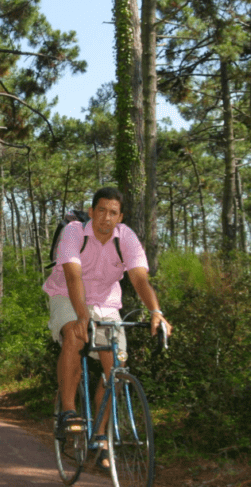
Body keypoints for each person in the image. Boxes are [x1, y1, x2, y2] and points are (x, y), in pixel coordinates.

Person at [43, 186, 172, 469]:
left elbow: (139, 279)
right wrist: (81, 317)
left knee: (116, 368)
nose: (106, 217)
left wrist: (155, 311)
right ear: (91, 212)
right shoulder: (74, 232)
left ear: (120, 216)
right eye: (101, 210)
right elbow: (73, 276)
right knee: (74, 337)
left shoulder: (126, 237)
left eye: (113, 212)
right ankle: (68, 412)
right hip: (66, 293)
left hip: (106, 304)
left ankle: (101, 435)